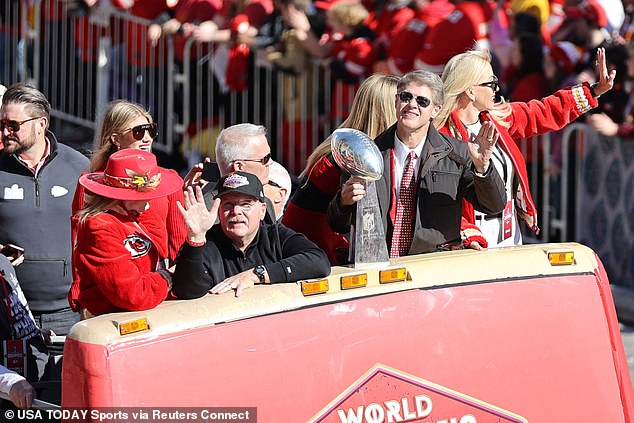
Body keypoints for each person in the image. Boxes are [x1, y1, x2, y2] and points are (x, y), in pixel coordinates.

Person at [435, 47, 615, 248]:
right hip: (471, 239)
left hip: (509, 232)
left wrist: (594, 90)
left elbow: (543, 111)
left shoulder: (498, 118)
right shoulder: (441, 135)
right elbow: (438, 200)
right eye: (491, 83)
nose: (497, 88)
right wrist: (466, 234)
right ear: (470, 91)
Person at [327, 70, 506, 257]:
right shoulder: (368, 154)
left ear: (435, 110)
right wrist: (343, 202)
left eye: (422, 101)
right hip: (381, 265)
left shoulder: (457, 153)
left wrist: (483, 168)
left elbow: (493, 206)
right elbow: (338, 224)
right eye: (406, 97)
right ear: (396, 100)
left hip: (433, 266)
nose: (412, 105)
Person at [0, 83, 89, 336]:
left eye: (14, 125)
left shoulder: (78, 166)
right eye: (2, 124)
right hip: (9, 309)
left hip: (67, 311)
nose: (6, 131)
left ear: (41, 124)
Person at [282, 73, 398, 264]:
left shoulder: (339, 147)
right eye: (402, 99)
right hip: (314, 250)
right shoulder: (348, 157)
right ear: (387, 108)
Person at [172, 171, 331, 299]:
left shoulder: (275, 236)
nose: (236, 212)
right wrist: (196, 237)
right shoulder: (206, 244)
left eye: (245, 204)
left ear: (262, 211)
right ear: (219, 211)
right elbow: (186, 291)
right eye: (228, 205)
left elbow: (319, 262)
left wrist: (257, 274)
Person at [70, 99, 187, 268]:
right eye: (138, 132)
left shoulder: (167, 180)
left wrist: (174, 285)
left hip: (158, 279)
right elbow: (79, 243)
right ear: (116, 139)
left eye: (151, 131)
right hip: (107, 276)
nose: (147, 138)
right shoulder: (92, 184)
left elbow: (178, 243)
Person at [72, 149, 183, 318]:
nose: (152, 199)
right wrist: (167, 277)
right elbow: (133, 295)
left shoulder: (130, 213)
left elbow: (161, 249)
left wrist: (143, 209)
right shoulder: (99, 225)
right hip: (109, 323)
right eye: (146, 194)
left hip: (134, 317)